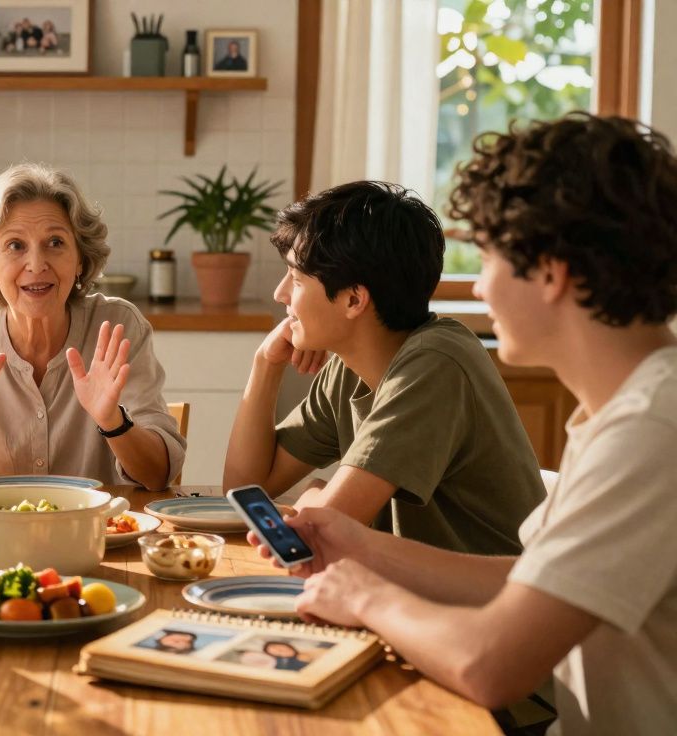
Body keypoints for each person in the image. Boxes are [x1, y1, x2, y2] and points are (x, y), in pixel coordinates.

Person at [249, 113, 677, 735]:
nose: (479, 288)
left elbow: (488, 665)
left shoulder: (650, 432)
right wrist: (360, 547)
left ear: (550, 271)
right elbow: (529, 582)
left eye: (492, 257)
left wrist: (364, 595)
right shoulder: (628, 411)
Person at [222, 181, 544, 554]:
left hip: (490, 589)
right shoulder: (349, 369)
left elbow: (320, 534)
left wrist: (314, 494)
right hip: (404, 583)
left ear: (353, 300)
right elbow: (244, 491)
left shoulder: (435, 363)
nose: (280, 294)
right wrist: (265, 365)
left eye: (295, 279)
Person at [0, 163, 185, 490]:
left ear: (80, 259)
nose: (36, 264)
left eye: (55, 242)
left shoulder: (117, 325)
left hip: (94, 523)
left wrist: (113, 421)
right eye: (15, 245)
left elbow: (158, 476)